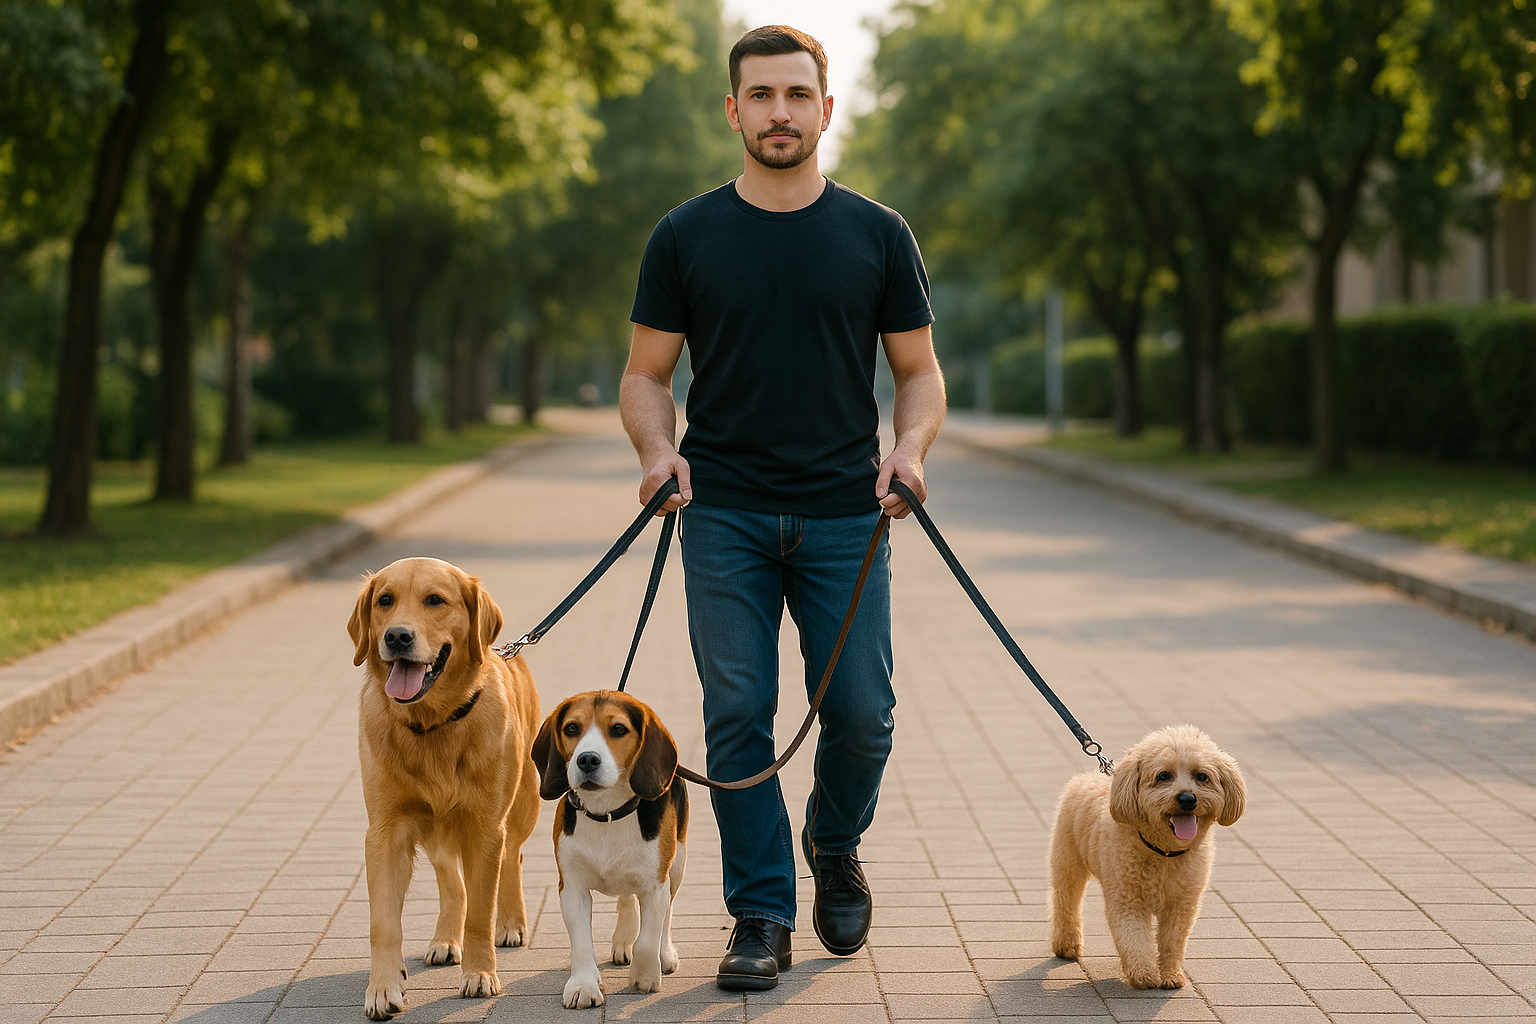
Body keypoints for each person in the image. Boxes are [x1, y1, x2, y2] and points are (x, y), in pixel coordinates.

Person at [618, 24, 945, 991]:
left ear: (826, 109)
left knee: (863, 716)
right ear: (733, 110)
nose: (779, 112)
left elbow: (919, 373)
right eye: (760, 95)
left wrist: (910, 450)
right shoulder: (684, 235)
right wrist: (658, 452)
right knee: (737, 715)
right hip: (723, 514)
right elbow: (644, 375)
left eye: (797, 95)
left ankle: (833, 843)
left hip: (850, 514)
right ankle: (760, 913)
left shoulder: (878, 234)